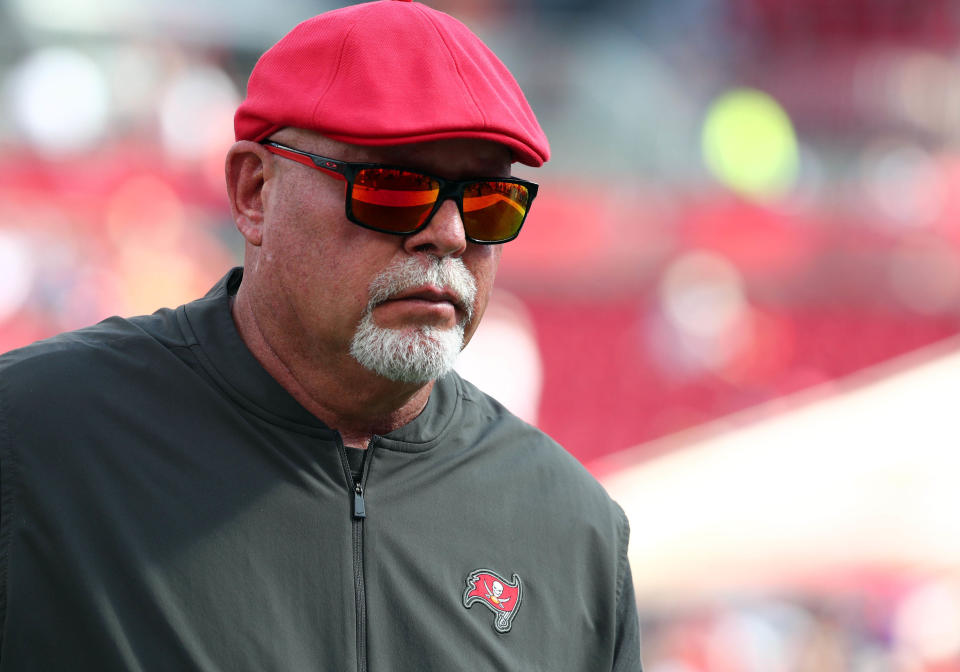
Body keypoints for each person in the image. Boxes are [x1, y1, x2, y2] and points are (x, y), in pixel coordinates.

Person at [0, 1, 642, 670]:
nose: (449, 233)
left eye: (488, 201)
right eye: (394, 186)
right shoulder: (35, 435)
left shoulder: (572, 528)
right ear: (254, 192)